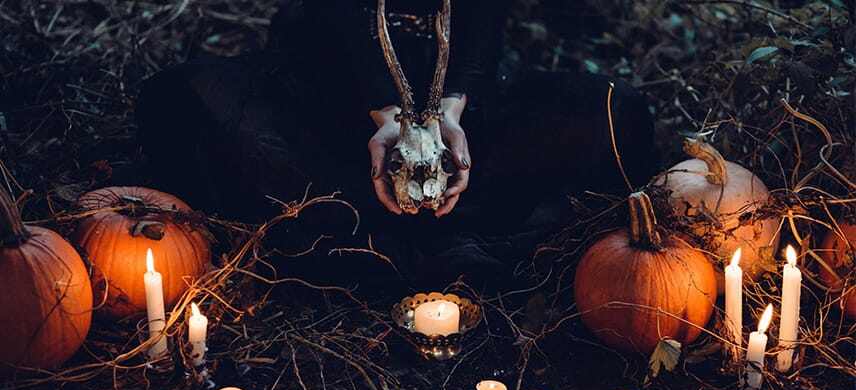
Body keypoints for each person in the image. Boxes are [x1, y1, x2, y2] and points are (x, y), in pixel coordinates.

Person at [137, 0, 658, 287]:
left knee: (617, 115)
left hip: (468, 92)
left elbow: (483, 16)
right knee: (181, 100)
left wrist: (452, 108)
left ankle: (406, 236)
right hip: (330, 89)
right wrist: (385, 112)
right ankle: (387, 243)